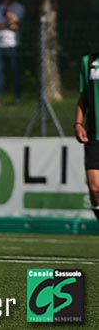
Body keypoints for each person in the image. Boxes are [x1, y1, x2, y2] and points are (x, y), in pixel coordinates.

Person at [73, 52, 99, 224]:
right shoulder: (88, 61)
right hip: (94, 136)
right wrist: (78, 123)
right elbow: (83, 98)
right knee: (95, 190)